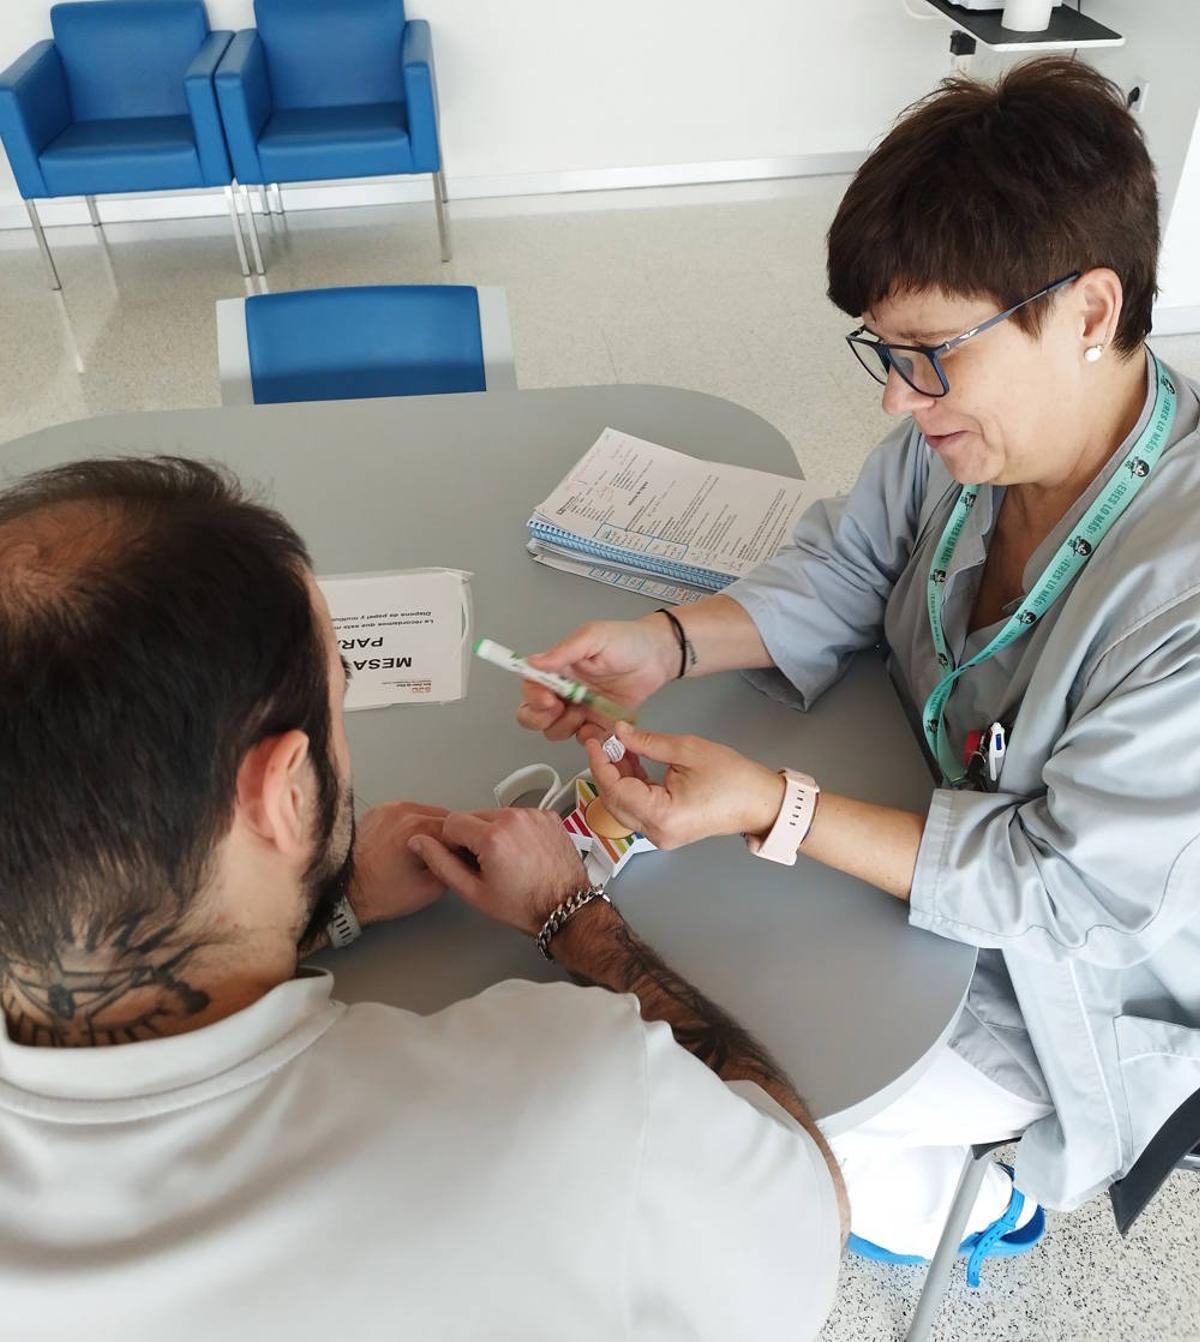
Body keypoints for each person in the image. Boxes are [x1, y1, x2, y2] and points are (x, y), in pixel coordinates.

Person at [518, 57, 1200, 1274]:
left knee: (736, 1109)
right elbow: (841, 565)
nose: (898, 400)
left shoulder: (1181, 601)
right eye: (882, 353)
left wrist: (780, 808)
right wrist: (664, 641)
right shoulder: (969, 437)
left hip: (1052, 979)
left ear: (1091, 313)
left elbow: (1059, 893)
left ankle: (979, 1201)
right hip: (893, 843)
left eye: (930, 352)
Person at [0, 456, 846, 1342]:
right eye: (339, 705)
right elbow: (806, 1209)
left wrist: (320, 902)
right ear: (284, 796)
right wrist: (575, 916)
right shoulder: (575, 1102)